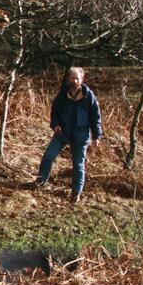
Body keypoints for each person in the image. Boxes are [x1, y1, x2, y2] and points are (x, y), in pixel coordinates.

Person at [34, 66, 101, 202]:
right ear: (68, 79)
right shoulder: (62, 95)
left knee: (78, 165)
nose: (75, 81)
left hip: (81, 135)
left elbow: (96, 117)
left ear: (82, 79)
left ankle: (76, 193)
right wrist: (55, 125)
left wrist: (97, 135)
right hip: (62, 132)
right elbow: (55, 112)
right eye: (72, 78)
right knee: (48, 156)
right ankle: (40, 182)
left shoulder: (89, 96)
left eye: (77, 78)